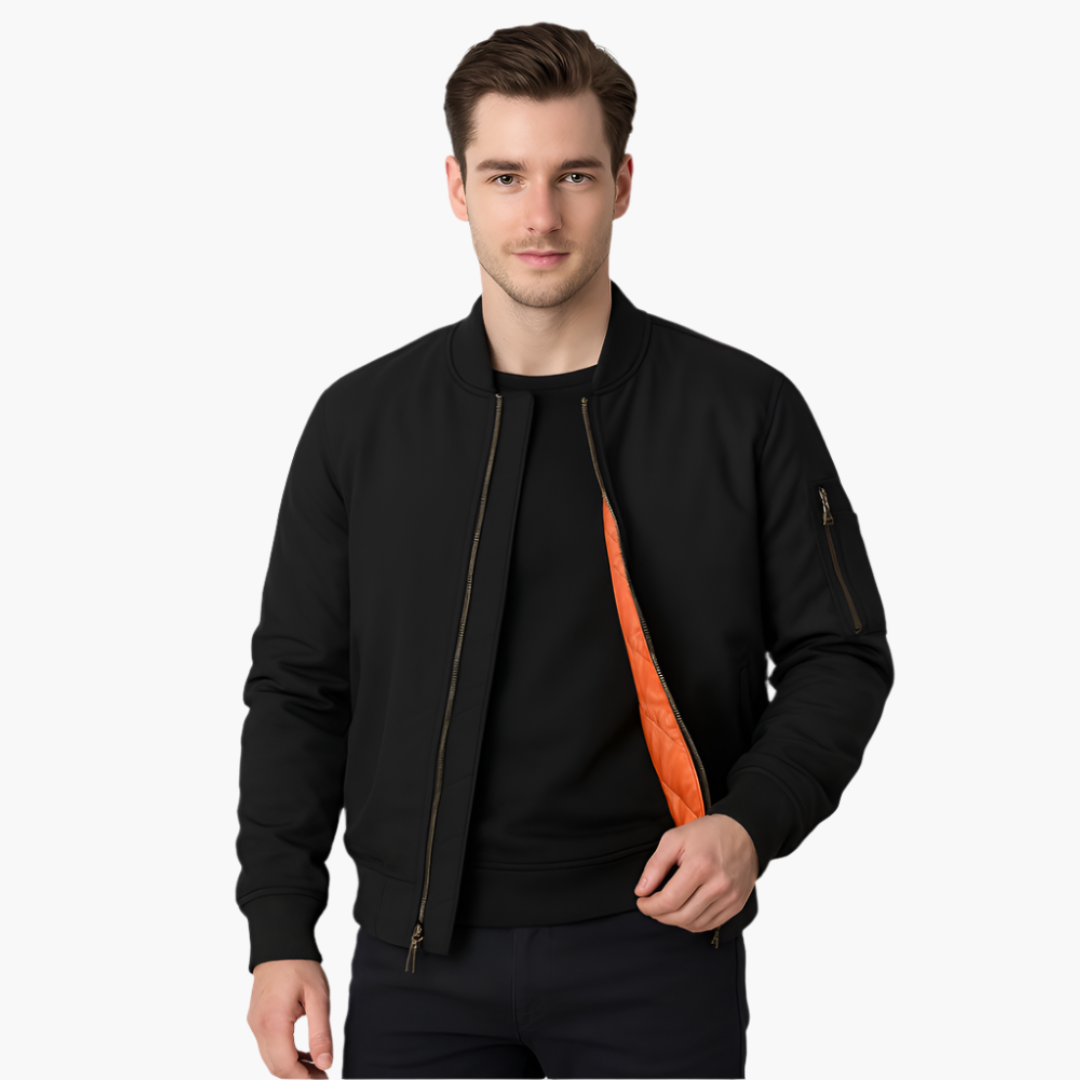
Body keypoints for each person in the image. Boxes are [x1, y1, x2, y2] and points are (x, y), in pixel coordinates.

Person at [235, 21, 894, 1080]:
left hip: (659, 945)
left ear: (622, 184)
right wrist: (279, 929)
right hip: (417, 960)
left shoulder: (742, 411)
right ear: (457, 188)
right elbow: (300, 690)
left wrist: (748, 824)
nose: (540, 216)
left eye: (574, 175)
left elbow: (840, 653)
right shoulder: (362, 424)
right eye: (506, 177)